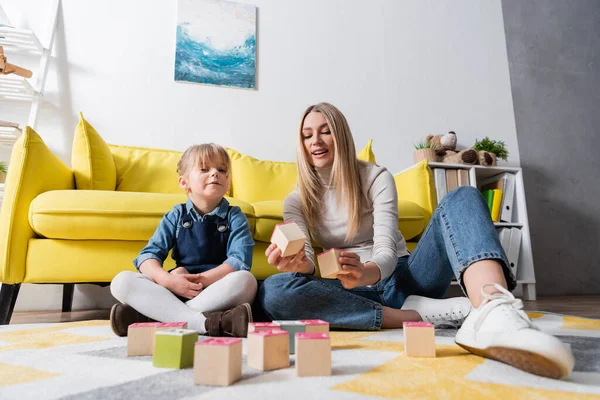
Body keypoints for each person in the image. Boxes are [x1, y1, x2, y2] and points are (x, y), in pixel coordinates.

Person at [258, 102, 574, 379]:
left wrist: (365, 272)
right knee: (273, 289)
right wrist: (303, 266)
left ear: (340, 135)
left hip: (401, 277)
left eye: (325, 131)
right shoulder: (296, 200)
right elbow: (309, 263)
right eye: (307, 134)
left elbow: (384, 252)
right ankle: (413, 317)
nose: (315, 141)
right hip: (346, 291)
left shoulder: (374, 177)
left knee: (462, 196)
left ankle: (492, 311)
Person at [110, 143, 257, 338]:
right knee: (121, 281)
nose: (215, 173)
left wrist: (199, 281)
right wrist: (168, 280)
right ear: (184, 182)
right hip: (175, 288)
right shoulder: (176, 215)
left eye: (221, 170)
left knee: (246, 280)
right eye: (204, 169)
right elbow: (148, 256)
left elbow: (239, 261)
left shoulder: (235, 216)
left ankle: (156, 317)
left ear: (228, 182)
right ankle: (204, 323)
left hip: (213, 290)